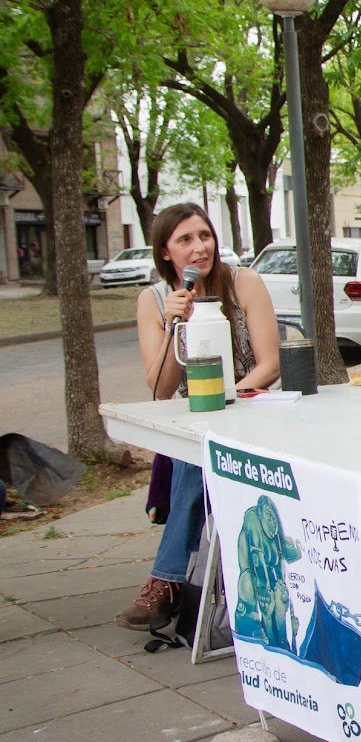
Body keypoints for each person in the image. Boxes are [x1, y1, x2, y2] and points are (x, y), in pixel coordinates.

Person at [117, 202, 280, 629]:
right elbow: (160, 388)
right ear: (165, 251)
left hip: (252, 407)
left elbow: (270, 364)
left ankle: (166, 581)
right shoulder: (153, 300)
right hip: (194, 420)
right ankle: (174, 582)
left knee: (199, 451)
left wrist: (226, 400)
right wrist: (175, 327)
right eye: (185, 240)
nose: (199, 248)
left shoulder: (243, 283)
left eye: (204, 236)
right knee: (197, 450)